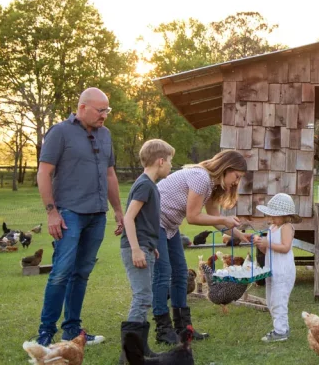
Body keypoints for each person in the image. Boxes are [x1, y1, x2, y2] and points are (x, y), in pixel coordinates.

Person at [34, 88, 124, 347]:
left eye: (107, 110)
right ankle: (45, 334)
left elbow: (110, 175)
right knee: (61, 272)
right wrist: (52, 212)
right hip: (68, 213)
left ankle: (72, 331)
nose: (104, 116)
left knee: (82, 273)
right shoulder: (60, 132)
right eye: (100, 110)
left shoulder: (105, 135)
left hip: (97, 214)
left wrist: (117, 210)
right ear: (82, 107)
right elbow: (44, 173)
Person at [152, 149, 249, 345]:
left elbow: (216, 220)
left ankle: (183, 329)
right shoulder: (201, 177)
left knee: (180, 273)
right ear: (226, 168)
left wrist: (241, 236)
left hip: (169, 225)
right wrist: (223, 218)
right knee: (163, 274)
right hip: (153, 221)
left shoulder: (212, 186)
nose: (236, 182)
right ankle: (163, 330)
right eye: (236, 176)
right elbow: (193, 216)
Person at [119, 139, 174, 361]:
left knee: (145, 297)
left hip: (146, 247)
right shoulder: (144, 185)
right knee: (142, 297)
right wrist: (136, 249)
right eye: (170, 161)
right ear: (160, 161)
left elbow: (144, 221)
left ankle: (140, 348)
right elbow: (129, 218)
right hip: (137, 247)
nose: (171, 165)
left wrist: (151, 247)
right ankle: (129, 355)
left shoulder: (150, 185)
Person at [253, 193, 299, 342]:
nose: (271, 218)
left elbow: (285, 247)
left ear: (285, 215)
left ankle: (280, 332)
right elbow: (268, 251)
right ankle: (281, 328)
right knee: (271, 301)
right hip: (272, 269)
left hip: (283, 271)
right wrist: (261, 245)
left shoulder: (286, 227)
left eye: (275, 216)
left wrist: (267, 243)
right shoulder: (273, 227)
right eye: (270, 215)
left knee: (279, 301)